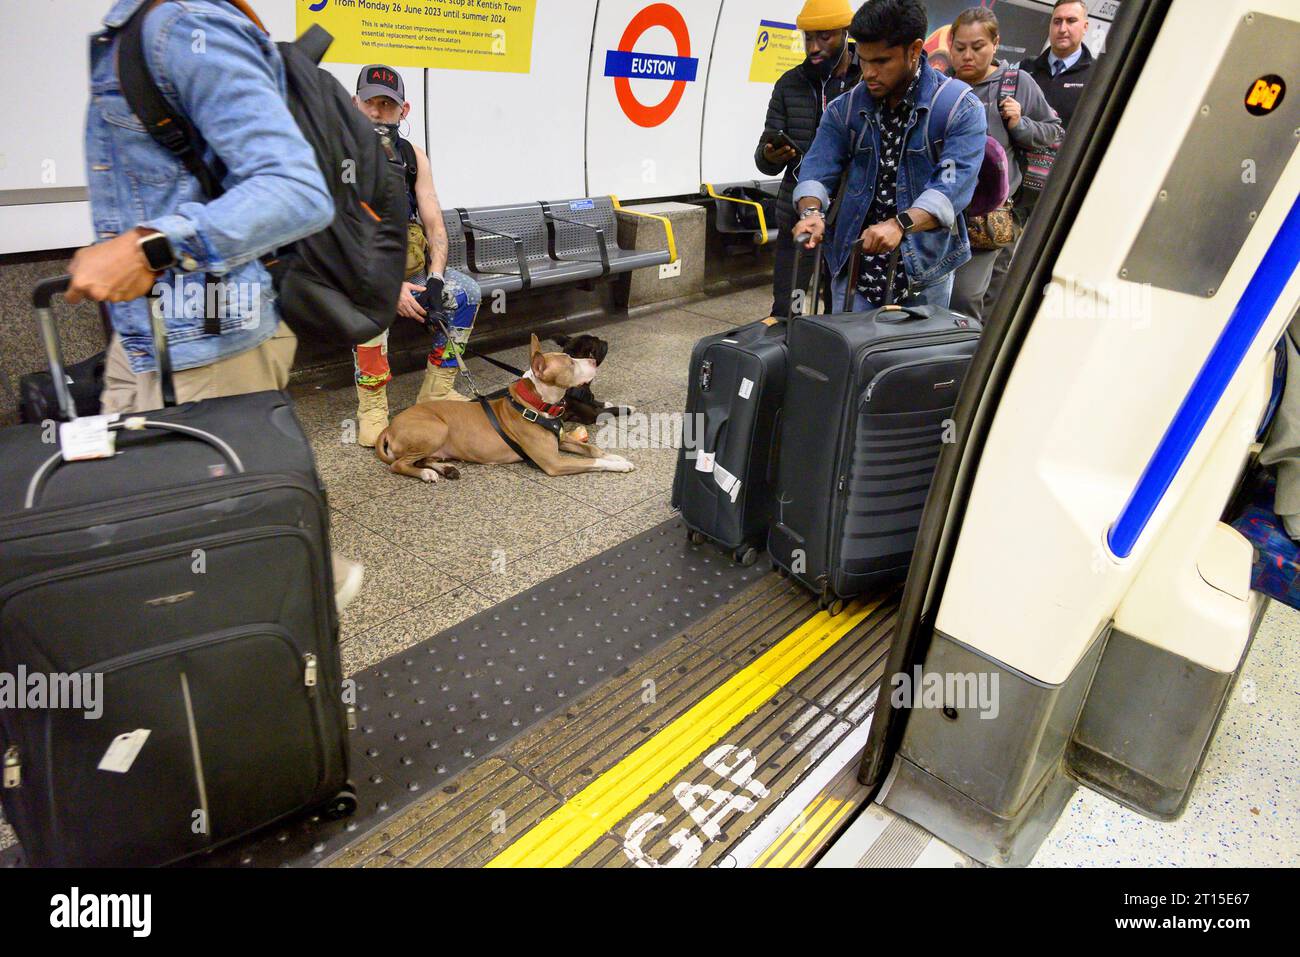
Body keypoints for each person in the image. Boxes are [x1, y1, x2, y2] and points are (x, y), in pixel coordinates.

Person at [70, 0, 362, 610]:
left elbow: (295, 191)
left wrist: (151, 248)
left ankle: (283, 648)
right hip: (152, 335)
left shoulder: (183, 27)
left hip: (208, 342)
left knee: (223, 562)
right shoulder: (139, 27)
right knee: (143, 533)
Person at [792, 0, 987, 313]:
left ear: (914, 50)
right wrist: (811, 213)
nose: (869, 72)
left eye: (882, 61)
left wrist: (900, 224)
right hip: (854, 267)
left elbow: (952, 189)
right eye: (864, 59)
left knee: (912, 360)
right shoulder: (845, 109)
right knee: (849, 357)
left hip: (924, 274)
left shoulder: (958, 107)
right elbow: (817, 169)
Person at [351, 65, 483, 448]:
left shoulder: (413, 158)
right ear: (353, 104)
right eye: (369, 103)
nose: (377, 113)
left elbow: (434, 224)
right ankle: (372, 408)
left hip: (411, 269)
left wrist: (437, 280)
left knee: (466, 293)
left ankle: (437, 392)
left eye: (387, 105)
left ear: (403, 111)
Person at [946, 7, 1062, 325]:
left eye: (978, 46)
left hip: (993, 219)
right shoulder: (944, 87)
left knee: (969, 298)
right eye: (960, 48)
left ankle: (971, 364)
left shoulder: (1015, 83)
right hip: (946, 212)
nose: (967, 55)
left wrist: (1019, 123)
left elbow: (1053, 130)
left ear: (995, 44)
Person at [755, 0, 860, 318]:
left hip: (848, 219)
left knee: (840, 312)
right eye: (808, 37)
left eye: (824, 37)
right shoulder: (790, 84)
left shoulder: (867, 82)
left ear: (845, 33)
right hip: (796, 217)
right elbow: (763, 158)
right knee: (789, 309)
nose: (814, 47)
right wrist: (770, 156)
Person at [1019, 0, 1096, 132]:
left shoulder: (1097, 74)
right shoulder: (1027, 67)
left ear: (1085, 27)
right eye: (1057, 21)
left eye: (1071, 21)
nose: (1062, 29)